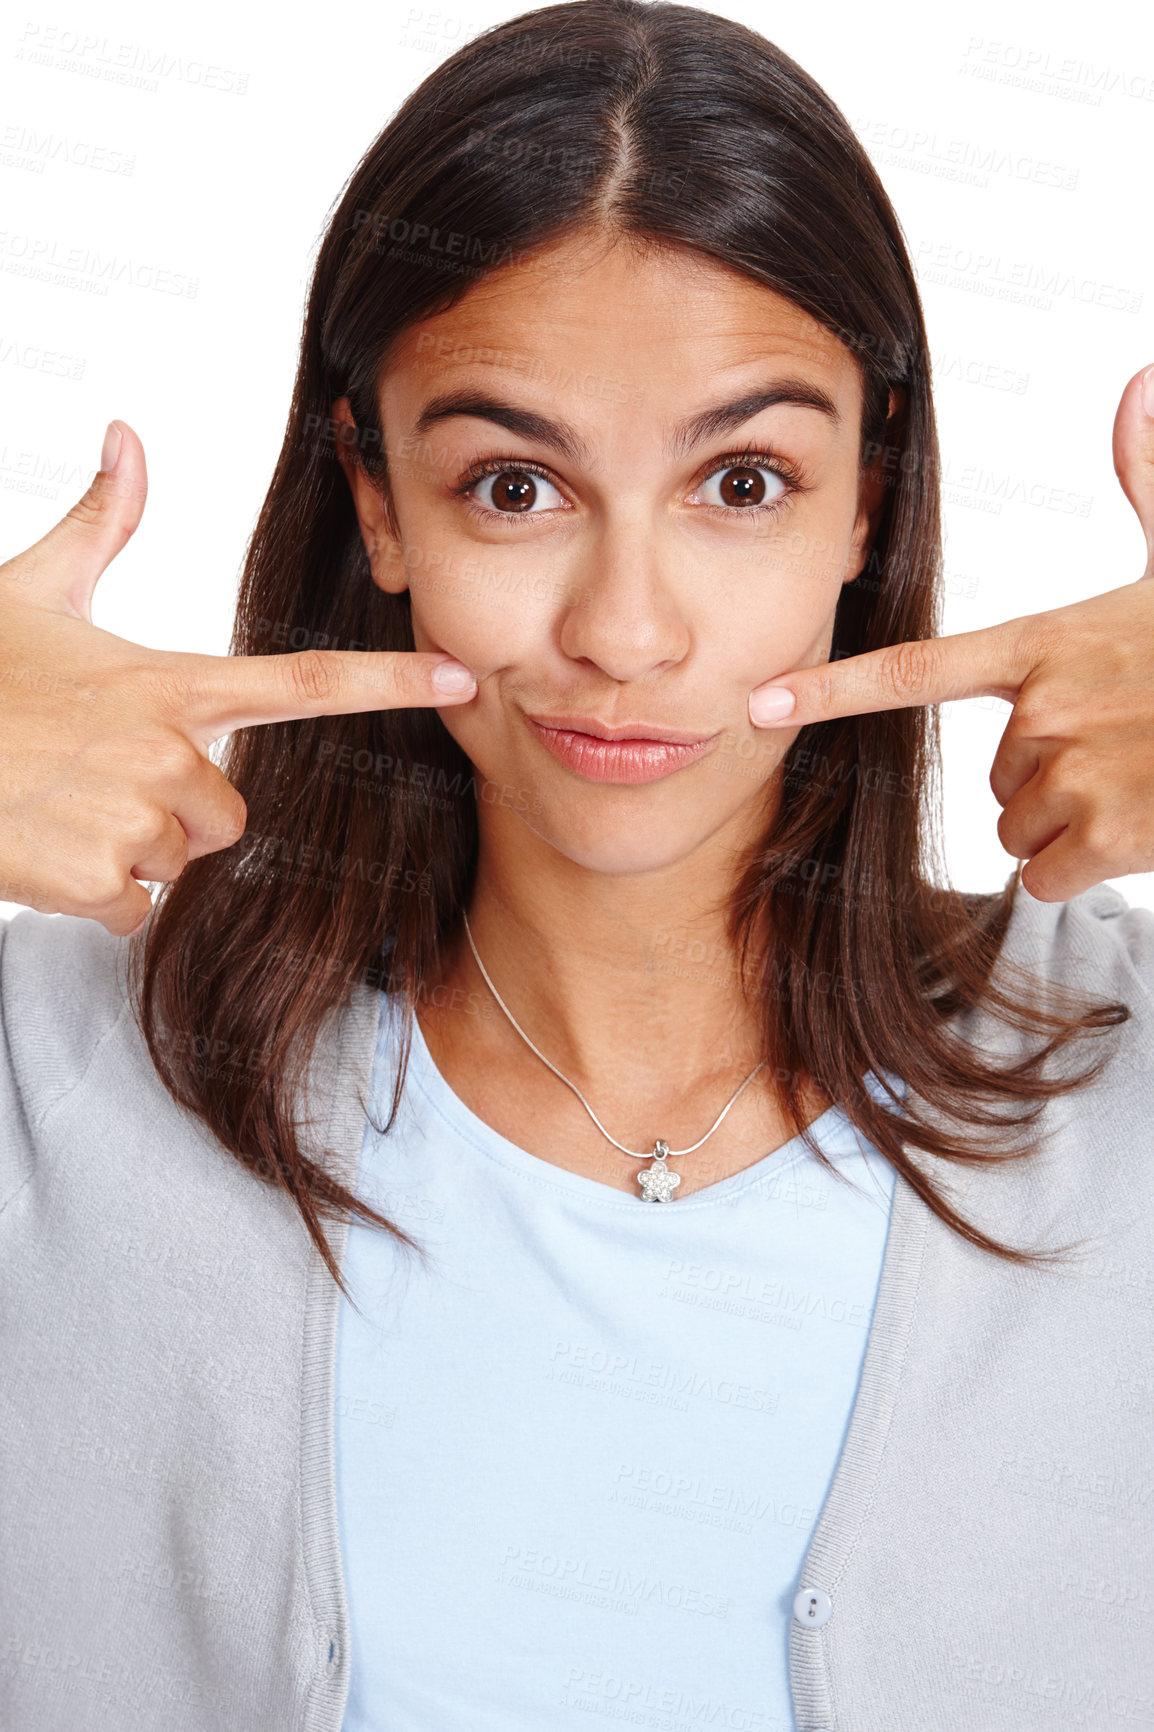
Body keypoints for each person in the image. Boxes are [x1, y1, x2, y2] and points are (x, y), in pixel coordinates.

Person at [1, 2, 1152, 1728]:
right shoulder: (62, 1080)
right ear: (375, 502)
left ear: (868, 498)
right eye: (515, 488)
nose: (625, 633)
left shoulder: (1113, 1086)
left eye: (743, 479)